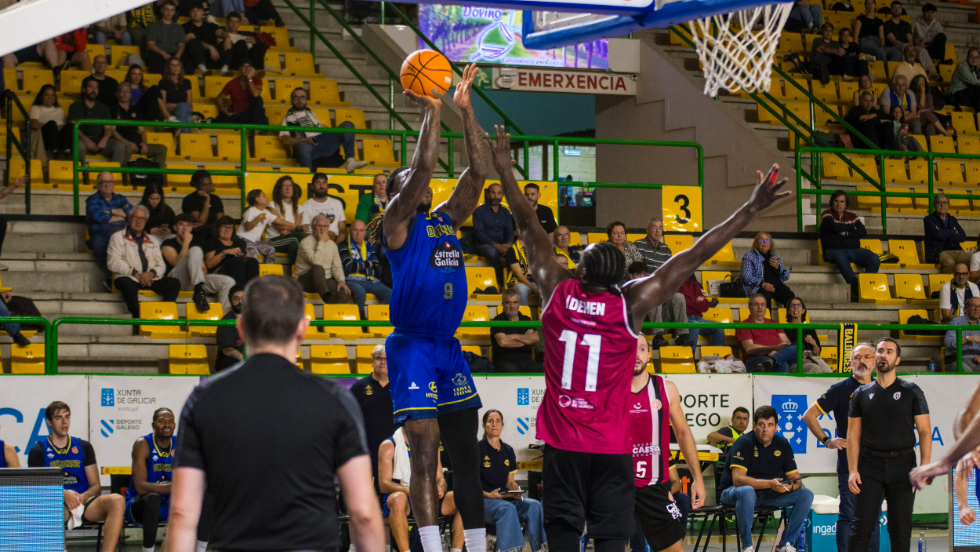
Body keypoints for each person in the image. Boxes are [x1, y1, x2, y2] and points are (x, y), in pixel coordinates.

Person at [485, 123, 786, 551]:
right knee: (612, 537)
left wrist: (505, 170)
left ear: (582, 270)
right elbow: (694, 253)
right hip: (611, 448)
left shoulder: (556, 287)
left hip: (564, 446)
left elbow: (527, 223)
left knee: (565, 535)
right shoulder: (628, 304)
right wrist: (749, 209)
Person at [164, 276, 385, 551]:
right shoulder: (336, 399)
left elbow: (182, 514)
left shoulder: (203, 399)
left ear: (241, 327)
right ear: (303, 328)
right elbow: (363, 514)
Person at [370, 64, 490, 552]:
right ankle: (429, 548)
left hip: (448, 346)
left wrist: (465, 111)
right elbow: (422, 168)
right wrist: (430, 109)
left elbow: (479, 170)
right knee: (424, 449)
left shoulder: (445, 220)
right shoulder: (393, 223)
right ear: (396, 192)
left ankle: (478, 546)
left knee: (466, 450)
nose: (421, 185)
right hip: (413, 345)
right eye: (407, 182)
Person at [847, 338, 931, 552]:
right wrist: (852, 470)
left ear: (898, 359)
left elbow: (924, 431)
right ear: (875, 358)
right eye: (880, 351)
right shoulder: (860, 394)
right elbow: (853, 435)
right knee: (861, 528)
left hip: (903, 466)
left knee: (900, 529)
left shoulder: (912, 391)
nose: (883, 355)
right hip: (869, 466)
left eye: (889, 352)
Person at [629, 336, 705, 552]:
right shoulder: (609, 389)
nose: (636, 354)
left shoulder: (666, 388)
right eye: (630, 349)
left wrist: (697, 480)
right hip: (616, 485)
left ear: (649, 355)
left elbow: (683, 433)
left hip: (653, 488)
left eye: (641, 349)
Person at [802, 344, 880, 552]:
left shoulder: (882, 388)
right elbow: (809, 416)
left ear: (874, 361)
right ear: (850, 362)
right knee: (848, 515)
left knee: (873, 516)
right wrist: (827, 440)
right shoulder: (841, 389)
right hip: (849, 464)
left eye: (867, 357)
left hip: (876, 464)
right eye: (857, 357)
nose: (862, 361)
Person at [28, 401, 126, 552]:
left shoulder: (83, 446)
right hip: (58, 504)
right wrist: (63, 495)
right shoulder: (38, 450)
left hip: (85, 502)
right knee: (49, 507)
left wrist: (82, 496)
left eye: (67, 416)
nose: (64, 421)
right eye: (58, 417)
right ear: (49, 422)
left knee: (117, 500)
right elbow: (38, 491)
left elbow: (96, 486)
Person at [718, 405, 814, 552]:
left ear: (776, 427)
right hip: (733, 492)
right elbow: (738, 480)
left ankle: (785, 545)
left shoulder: (783, 444)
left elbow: (796, 479)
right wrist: (769, 484)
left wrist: (790, 486)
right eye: (761, 425)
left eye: (770, 425)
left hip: (768, 493)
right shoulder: (743, 443)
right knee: (747, 491)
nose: (765, 430)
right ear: (754, 425)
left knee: (806, 494)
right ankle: (747, 547)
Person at [379, 427, 464, 552]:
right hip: (404, 499)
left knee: (463, 498)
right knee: (398, 499)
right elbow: (383, 484)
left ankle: (456, 550)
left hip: (428, 498)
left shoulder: (431, 446)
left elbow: (440, 479)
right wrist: (413, 490)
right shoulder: (389, 445)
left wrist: (440, 488)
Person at [480, 410, 546, 552]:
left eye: (498, 421)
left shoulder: (508, 450)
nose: (494, 424)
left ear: (502, 426)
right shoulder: (477, 449)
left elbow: (510, 482)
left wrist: (515, 491)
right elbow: (470, 485)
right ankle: (511, 549)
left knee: (535, 505)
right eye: (490, 421)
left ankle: (540, 548)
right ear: (484, 426)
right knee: (508, 508)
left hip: (506, 498)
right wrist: (489, 495)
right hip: (485, 500)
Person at [109, 206, 182, 329]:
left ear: (146, 222)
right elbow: (113, 262)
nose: (139, 221)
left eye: (142, 219)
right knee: (127, 285)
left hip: (149, 278)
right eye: (136, 218)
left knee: (174, 283)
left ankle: (162, 318)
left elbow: (161, 264)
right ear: (130, 218)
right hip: (128, 276)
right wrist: (135, 273)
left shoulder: (153, 240)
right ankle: (138, 320)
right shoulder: (117, 237)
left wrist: (151, 274)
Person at [124, 407, 176, 552]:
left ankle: (201, 548)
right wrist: (175, 487)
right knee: (153, 497)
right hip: (140, 505)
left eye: (171, 421)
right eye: (161, 422)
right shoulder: (143, 444)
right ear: (153, 425)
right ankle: (147, 550)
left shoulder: (180, 443)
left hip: (169, 505)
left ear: (175, 425)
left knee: (204, 498)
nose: (167, 425)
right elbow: (140, 487)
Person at [161, 213, 237, 313]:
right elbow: (176, 263)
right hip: (177, 280)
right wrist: (186, 243)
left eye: (188, 225)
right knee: (195, 250)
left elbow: (204, 269)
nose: (184, 228)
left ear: (191, 228)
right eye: (181, 225)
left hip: (195, 281)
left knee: (228, 281)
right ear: (175, 227)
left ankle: (223, 321)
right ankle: (198, 291)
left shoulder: (196, 242)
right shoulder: (168, 243)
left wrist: (197, 274)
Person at [280, 87, 367, 172]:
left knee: (347, 125)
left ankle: (350, 161)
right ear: (291, 100)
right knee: (303, 147)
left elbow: (321, 128)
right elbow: (285, 140)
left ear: (306, 100)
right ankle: (307, 176)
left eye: (302, 97)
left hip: (324, 141)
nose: (299, 100)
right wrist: (305, 140)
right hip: (310, 145)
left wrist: (334, 134)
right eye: (296, 97)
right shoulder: (287, 119)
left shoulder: (311, 113)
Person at [348, 344, 395, 487]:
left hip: (393, 449)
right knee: (360, 489)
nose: (383, 362)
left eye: (387, 359)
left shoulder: (400, 387)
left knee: (390, 491)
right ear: (372, 361)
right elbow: (349, 417)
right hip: (365, 448)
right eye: (379, 358)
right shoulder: (359, 387)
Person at [820, 191, 880, 299]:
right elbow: (832, 227)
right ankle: (858, 291)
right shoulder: (827, 214)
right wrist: (852, 229)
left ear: (846, 204)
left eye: (842, 201)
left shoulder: (853, 216)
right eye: (836, 201)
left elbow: (863, 232)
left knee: (874, 258)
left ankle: (866, 288)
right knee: (840, 257)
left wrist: (845, 233)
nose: (839, 204)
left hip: (853, 250)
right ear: (832, 202)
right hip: (833, 251)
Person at [294, 213, 354, 304]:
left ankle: (333, 315)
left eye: (325, 226)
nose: (322, 229)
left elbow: (337, 266)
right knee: (318, 268)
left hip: (325, 280)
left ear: (328, 228)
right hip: (304, 279)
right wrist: (321, 241)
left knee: (344, 292)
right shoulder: (305, 243)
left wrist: (341, 281)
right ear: (313, 227)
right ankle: (326, 297)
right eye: (319, 226)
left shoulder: (332, 244)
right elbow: (316, 262)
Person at [86, 172, 133, 279]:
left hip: (122, 232)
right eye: (103, 182)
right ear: (98, 184)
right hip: (102, 233)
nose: (107, 185)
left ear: (114, 184)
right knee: (98, 244)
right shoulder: (92, 199)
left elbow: (131, 213)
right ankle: (111, 276)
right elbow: (97, 216)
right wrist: (121, 215)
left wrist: (109, 211)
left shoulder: (121, 198)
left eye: (110, 182)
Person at [339, 219, 391, 317]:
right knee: (360, 292)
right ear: (350, 231)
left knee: (389, 293)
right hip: (351, 280)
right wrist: (368, 264)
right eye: (355, 230)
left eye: (362, 230)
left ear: (365, 232)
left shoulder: (369, 246)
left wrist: (359, 266)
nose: (358, 234)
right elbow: (348, 267)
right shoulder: (343, 245)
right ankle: (361, 321)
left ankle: (376, 320)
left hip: (370, 280)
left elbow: (377, 269)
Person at [107, 86, 169, 167]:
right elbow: (113, 131)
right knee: (125, 150)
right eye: (122, 91)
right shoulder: (112, 109)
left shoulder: (135, 110)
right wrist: (128, 143)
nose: (125, 93)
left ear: (130, 94)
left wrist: (144, 143)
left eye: (128, 91)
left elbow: (142, 130)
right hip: (124, 144)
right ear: (117, 94)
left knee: (162, 149)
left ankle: (157, 177)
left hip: (138, 144)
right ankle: (122, 178)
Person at [736, 294, 795, 373]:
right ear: (750, 307)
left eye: (762, 304)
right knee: (782, 364)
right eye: (756, 304)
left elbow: (787, 343)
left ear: (766, 308)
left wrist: (777, 353)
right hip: (756, 358)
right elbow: (749, 348)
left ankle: (775, 359)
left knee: (800, 346)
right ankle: (776, 360)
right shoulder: (744, 325)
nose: (760, 307)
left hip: (778, 354)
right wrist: (774, 348)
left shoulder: (774, 323)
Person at [473, 183, 514, 288]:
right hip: (484, 245)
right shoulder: (479, 211)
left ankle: (514, 284)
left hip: (503, 244)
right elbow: (479, 233)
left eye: (499, 193)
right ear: (488, 194)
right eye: (493, 193)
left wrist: (509, 245)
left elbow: (510, 231)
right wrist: (496, 245)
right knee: (492, 252)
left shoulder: (505, 212)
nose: (496, 196)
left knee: (514, 251)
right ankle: (499, 284)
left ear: (502, 195)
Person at [490, 288, 541, 373]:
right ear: (503, 304)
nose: (512, 306)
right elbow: (503, 342)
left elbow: (535, 339)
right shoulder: (498, 320)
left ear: (519, 304)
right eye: (508, 303)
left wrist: (513, 337)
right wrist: (525, 339)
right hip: (504, 362)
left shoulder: (526, 320)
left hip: (526, 362)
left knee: (542, 368)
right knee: (511, 371)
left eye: (515, 302)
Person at [740, 232, 794, 310]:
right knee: (764, 297)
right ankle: (767, 321)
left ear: (770, 243)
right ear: (756, 243)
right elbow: (746, 276)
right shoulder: (749, 256)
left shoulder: (775, 257)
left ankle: (790, 321)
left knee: (790, 296)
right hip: (759, 287)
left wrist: (778, 267)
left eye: (767, 240)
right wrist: (762, 284)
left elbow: (786, 276)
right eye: (762, 240)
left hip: (776, 287)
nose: (765, 242)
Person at [204, 216, 259, 286]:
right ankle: (239, 290)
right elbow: (209, 264)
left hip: (239, 269)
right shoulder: (212, 242)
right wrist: (225, 252)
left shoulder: (239, 243)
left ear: (233, 230)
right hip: (220, 270)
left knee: (252, 261)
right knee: (237, 261)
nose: (227, 230)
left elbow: (247, 256)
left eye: (229, 227)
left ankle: (253, 291)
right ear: (218, 228)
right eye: (224, 226)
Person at [784, 297, 834, 373]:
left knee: (828, 372)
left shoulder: (810, 328)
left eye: (799, 305)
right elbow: (784, 351)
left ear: (803, 311)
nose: (796, 307)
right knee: (814, 368)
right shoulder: (784, 329)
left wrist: (814, 344)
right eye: (793, 305)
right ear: (788, 311)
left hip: (813, 357)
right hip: (795, 360)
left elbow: (817, 353)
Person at [68, 79, 113, 160]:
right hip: (82, 140)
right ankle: (82, 172)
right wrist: (86, 140)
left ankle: (115, 172)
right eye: (90, 86)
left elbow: (109, 129)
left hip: (99, 140)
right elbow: (74, 127)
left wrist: (104, 139)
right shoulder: (74, 106)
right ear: (84, 89)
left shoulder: (104, 107)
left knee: (119, 146)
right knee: (79, 147)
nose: (93, 90)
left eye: (96, 88)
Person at [266, 176, 307, 263]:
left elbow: (297, 228)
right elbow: (278, 226)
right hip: (275, 240)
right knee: (298, 239)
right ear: (279, 190)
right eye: (285, 186)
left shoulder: (299, 208)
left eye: (290, 186)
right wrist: (295, 229)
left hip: (292, 239)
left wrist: (292, 229)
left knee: (294, 246)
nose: (288, 189)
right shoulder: (272, 205)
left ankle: (295, 274)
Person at [214, 60, 269, 125]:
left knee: (258, 99)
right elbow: (219, 98)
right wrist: (223, 109)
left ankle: (260, 128)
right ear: (239, 69)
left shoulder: (256, 80)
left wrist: (249, 78)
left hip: (253, 114)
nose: (246, 69)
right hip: (239, 115)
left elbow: (256, 94)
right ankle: (261, 128)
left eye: (249, 67)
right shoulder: (232, 83)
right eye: (244, 66)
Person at [678, 273, 726, 348]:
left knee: (718, 326)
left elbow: (705, 306)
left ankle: (719, 358)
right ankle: (691, 358)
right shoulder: (673, 286)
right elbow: (679, 305)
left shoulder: (694, 284)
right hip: (684, 318)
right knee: (694, 325)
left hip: (698, 319)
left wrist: (688, 302)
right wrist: (696, 303)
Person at [300, 173, 347, 244]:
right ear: (312, 186)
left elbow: (343, 229)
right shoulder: (305, 206)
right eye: (318, 182)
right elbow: (304, 233)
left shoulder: (337, 203)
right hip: (314, 243)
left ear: (327, 186)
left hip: (334, 242)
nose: (321, 186)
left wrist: (337, 241)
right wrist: (321, 237)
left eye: (324, 182)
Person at [236, 189, 280, 261]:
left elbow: (280, 221)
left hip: (255, 242)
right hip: (244, 240)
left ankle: (269, 270)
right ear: (258, 200)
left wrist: (296, 226)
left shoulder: (266, 212)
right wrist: (259, 217)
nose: (267, 197)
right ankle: (253, 271)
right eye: (263, 195)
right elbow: (248, 227)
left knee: (271, 249)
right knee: (254, 253)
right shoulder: (251, 210)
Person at [30, 85, 71, 161]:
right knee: (51, 124)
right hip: (44, 140)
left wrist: (44, 125)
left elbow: (64, 127)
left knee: (70, 125)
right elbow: (34, 125)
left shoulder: (59, 110)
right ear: (41, 96)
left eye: (52, 95)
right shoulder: (36, 108)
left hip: (58, 138)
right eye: (47, 95)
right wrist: (52, 127)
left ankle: (66, 152)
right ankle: (56, 152)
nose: (50, 97)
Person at [144, 1, 187, 75]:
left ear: (174, 12)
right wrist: (163, 53)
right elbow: (150, 44)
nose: (169, 12)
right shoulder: (154, 26)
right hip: (159, 53)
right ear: (162, 10)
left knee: (188, 63)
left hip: (174, 53)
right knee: (157, 61)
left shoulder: (179, 28)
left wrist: (178, 55)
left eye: (172, 10)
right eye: (166, 9)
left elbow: (181, 45)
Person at [924, 193, 967, 264]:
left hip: (956, 251)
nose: (942, 205)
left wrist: (945, 234)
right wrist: (953, 232)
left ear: (948, 205)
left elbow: (963, 237)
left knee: (971, 260)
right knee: (950, 263)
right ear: (934, 205)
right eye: (939, 202)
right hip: (939, 252)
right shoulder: (929, 219)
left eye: (945, 202)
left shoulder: (952, 220)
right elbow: (937, 234)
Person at [182, 2, 221, 75]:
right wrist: (209, 47)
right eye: (193, 11)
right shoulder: (184, 27)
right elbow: (194, 41)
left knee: (227, 43)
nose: (196, 13)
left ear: (203, 12)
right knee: (193, 41)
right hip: (193, 59)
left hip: (211, 57)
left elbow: (221, 33)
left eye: (198, 10)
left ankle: (225, 70)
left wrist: (227, 38)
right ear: (189, 13)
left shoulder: (211, 26)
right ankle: (203, 69)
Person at [182, 170, 224, 238]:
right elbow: (201, 220)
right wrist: (207, 199)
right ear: (196, 186)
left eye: (210, 184)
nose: (208, 188)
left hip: (214, 234)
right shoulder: (189, 200)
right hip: (197, 235)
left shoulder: (216, 199)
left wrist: (210, 227)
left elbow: (221, 222)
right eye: (204, 185)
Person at [157, 57, 194, 134]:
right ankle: (184, 138)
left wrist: (181, 107)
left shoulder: (187, 82)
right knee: (186, 115)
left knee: (184, 110)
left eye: (178, 65)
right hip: (169, 113)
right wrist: (179, 105)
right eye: (173, 65)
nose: (175, 67)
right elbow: (163, 105)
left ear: (181, 67)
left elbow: (189, 103)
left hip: (183, 111)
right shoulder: (163, 82)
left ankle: (178, 130)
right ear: (168, 68)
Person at [945, 297, 980, 372]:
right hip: (957, 360)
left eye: (979, 306)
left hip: (976, 363)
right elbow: (948, 343)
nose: (977, 309)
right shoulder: (956, 322)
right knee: (966, 371)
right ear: (967, 307)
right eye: (973, 306)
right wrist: (967, 338)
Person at [214, 284, 244, 371]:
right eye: (236, 299)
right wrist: (243, 359)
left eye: (243, 298)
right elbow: (227, 350)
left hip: (250, 358)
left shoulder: (254, 319)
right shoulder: (226, 321)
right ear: (230, 300)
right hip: (230, 359)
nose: (240, 302)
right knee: (233, 361)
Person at [505, 228, 537, 306]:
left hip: (536, 282)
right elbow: (519, 275)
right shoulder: (512, 250)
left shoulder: (536, 249)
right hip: (519, 282)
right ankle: (523, 315)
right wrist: (533, 288)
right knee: (521, 289)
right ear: (515, 233)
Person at [910, 74, 947, 139]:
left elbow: (932, 108)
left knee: (931, 126)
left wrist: (923, 110)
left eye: (923, 81)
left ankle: (931, 145)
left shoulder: (928, 94)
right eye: (919, 81)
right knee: (926, 113)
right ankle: (945, 132)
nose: (921, 83)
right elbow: (920, 107)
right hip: (917, 118)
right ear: (915, 83)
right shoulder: (912, 94)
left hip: (926, 119)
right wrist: (922, 93)